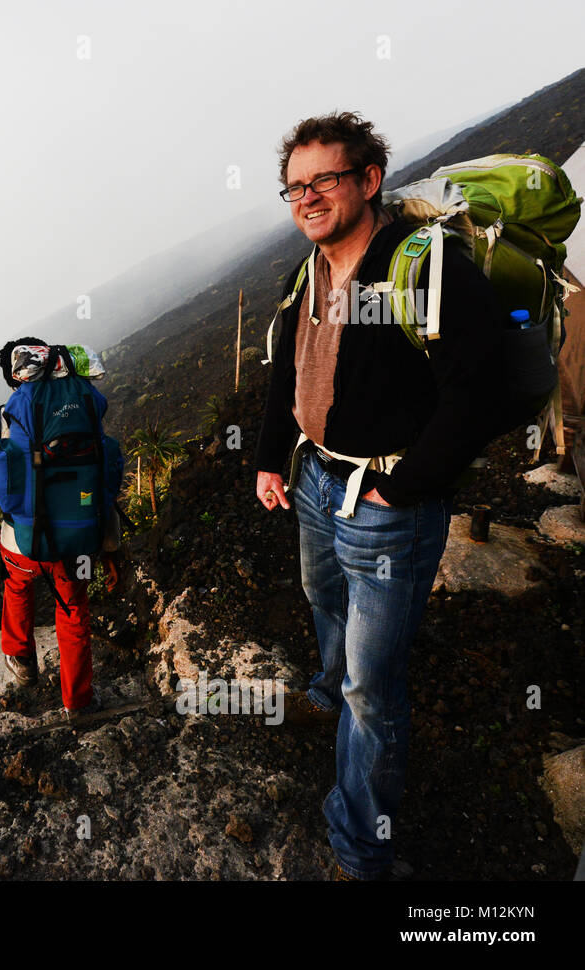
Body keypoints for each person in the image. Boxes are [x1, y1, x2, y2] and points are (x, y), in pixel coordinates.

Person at [254, 112, 503, 880]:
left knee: (375, 689)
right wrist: (271, 460)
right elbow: (283, 370)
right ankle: (325, 688)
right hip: (317, 480)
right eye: (295, 185)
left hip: (384, 502)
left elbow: (480, 390)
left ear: (369, 180)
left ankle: (361, 848)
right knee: (320, 595)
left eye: (324, 179)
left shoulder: (424, 267)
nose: (307, 197)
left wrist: (404, 487)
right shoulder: (309, 273)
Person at [0, 337, 121, 722]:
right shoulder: (81, 407)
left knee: (16, 585)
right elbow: (100, 485)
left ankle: (22, 659)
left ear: (13, 379)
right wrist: (111, 549)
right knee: (74, 610)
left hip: (22, 548)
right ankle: (78, 702)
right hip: (77, 542)